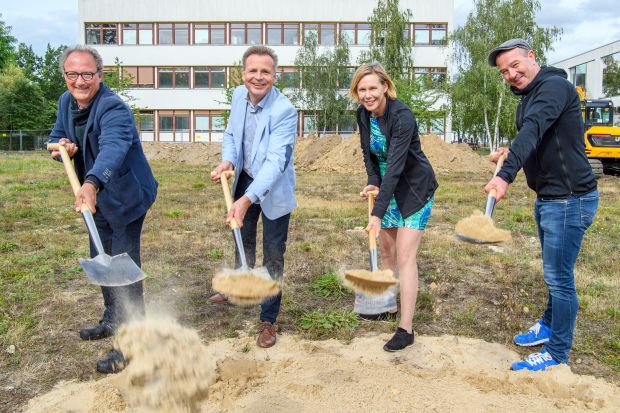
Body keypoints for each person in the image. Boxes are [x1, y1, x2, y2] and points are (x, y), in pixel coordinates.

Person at [485, 39, 598, 371]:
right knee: (554, 275)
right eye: (504, 71)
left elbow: (533, 130)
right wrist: (510, 152)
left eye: (515, 65)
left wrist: (504, 176)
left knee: (560, 278)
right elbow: (537, 139)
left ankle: (557, 353)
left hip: (569, 200)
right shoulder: (527, 97)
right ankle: (548, 326)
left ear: (531, 57)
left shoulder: (554, 88)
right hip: (549, 198)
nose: (511, 74)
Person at [48, 45, 158, 374]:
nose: (79, 81)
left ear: (100, 75)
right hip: (92, 198)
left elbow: (113, 148)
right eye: (72, 74)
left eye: (86, 74)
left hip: (124, 196)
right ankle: (112, 319)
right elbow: (55, 136)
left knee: (123, 269)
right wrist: (60, 147)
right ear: (65, 75)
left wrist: (92, 183)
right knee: (101, 258)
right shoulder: (66, 102)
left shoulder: (114, 108)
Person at [210, 45, 298, 349]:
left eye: (265, 72)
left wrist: (246, 200)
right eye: (252, 71)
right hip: (246, 175)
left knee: (273, 253)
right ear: (243, 73)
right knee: (242, 238)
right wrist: (229, 162)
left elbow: (276, 163)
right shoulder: (238, 96)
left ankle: (268, 319)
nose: (258, 77)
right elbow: (232, 135)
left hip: (273, 186)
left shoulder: (284, 110)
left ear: (275, 75)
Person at [349, 62, 438, 352]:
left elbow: (397, 166)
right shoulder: (363, 116)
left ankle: (406, 328)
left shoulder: (402, 116)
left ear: (385, 86)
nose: (367, 94)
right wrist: (373, 181)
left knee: (404, 256)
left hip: (414, 189)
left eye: (373, 87)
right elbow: (369, 156)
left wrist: (376, 214)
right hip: (386, 187)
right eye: (362, 89)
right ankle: (387, 305)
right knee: (387, 253)